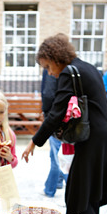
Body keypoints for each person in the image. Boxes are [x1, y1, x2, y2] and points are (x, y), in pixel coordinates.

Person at [22, 33, 107, 214]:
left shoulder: (68, 72)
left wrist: (35, 141)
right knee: (92, 196)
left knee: (81, 197)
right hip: (106, 136)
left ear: (55, 58)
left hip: (94, 140)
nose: (50, 73)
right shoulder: (87, 66)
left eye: (47, 66)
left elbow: (57, 111)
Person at [41, 68, 67, 197]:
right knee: (63, 154)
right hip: (71, 118)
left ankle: (50, 189)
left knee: (57, 157)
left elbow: (48, 94)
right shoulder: (72, 67)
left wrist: (46, 113)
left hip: (56, 118)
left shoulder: (52, 67)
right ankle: (56, 183)